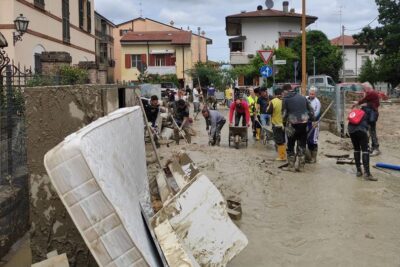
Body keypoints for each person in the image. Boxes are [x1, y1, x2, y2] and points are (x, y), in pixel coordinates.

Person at [282, 84, 314, 172]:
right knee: (302, 145)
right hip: (303, 124)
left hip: (292, 125)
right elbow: (311, 111)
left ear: (285, 91)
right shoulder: (303, 97)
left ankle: (291, 166)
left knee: (290, 145)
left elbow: (284, 115)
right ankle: (301, 167)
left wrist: (284, 124)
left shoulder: (285, 99)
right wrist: (311, 119)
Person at [348, 106, 377, 181]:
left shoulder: (358, 111)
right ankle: (367, 174)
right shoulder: (370, 110)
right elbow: (372, 120)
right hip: (361, 130)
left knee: (356, 149)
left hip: (351, 130)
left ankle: (358, 171)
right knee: (365, 150)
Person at [356, 82, 381, 156]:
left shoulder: (372, 93)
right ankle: (372, 147)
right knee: (369, 131)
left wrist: (358, 103)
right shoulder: (371, 93)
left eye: (363, 88)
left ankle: (376, 148)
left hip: (371, 116)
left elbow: (364, 100)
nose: (363, 90)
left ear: (367, 88)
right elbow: (370, 103)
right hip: (370, 115)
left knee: (372, 131)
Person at [267, 88, 286, 161]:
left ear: (275, 94)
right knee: (283, 139)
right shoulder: (285, 100)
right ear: (281, 93)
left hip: (276, 123)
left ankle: (282, 157)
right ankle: (284, 154)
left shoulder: (273, 101)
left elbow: (269, 112)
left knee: (279, 140)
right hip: (284, 124)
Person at [306, 87, 321, 163]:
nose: (311, 95)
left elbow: (317, 113)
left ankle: (313, 158)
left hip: (314, 122)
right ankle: (308, 157)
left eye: (313, 94)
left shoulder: (317, 102)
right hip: (306, 122)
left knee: (313, 140)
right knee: (307, 139)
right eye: (310, 93)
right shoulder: (306, 99)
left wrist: (311, 118)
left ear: (315, 94)